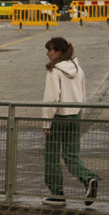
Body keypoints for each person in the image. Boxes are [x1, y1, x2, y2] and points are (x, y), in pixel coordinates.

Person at [41, 36, 98, 205]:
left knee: (52, 156)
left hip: (59, 117)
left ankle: (57, 194)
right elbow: (83, 94)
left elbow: (51, 98)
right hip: (76, 115)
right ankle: (88, 179)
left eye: (50, 50)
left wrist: (46, 122)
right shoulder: (78, 69)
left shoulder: (54, 70)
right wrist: (81, 114)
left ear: (58, 52)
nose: (47, 53)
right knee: (71, 155)